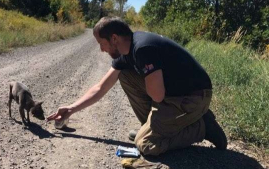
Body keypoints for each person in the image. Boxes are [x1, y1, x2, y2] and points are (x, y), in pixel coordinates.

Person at [47, 17, 227, 156]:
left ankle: (202, 127)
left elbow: (157, 96)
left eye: (102, 44)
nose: (101, 49)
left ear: (114, 38)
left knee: (146, 145)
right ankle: (154, 128)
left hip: (194, 97)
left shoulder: (143, 49)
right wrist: (70, 109)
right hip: (173, 94)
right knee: (123, 73)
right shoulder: (126, 53)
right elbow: (100, 88)